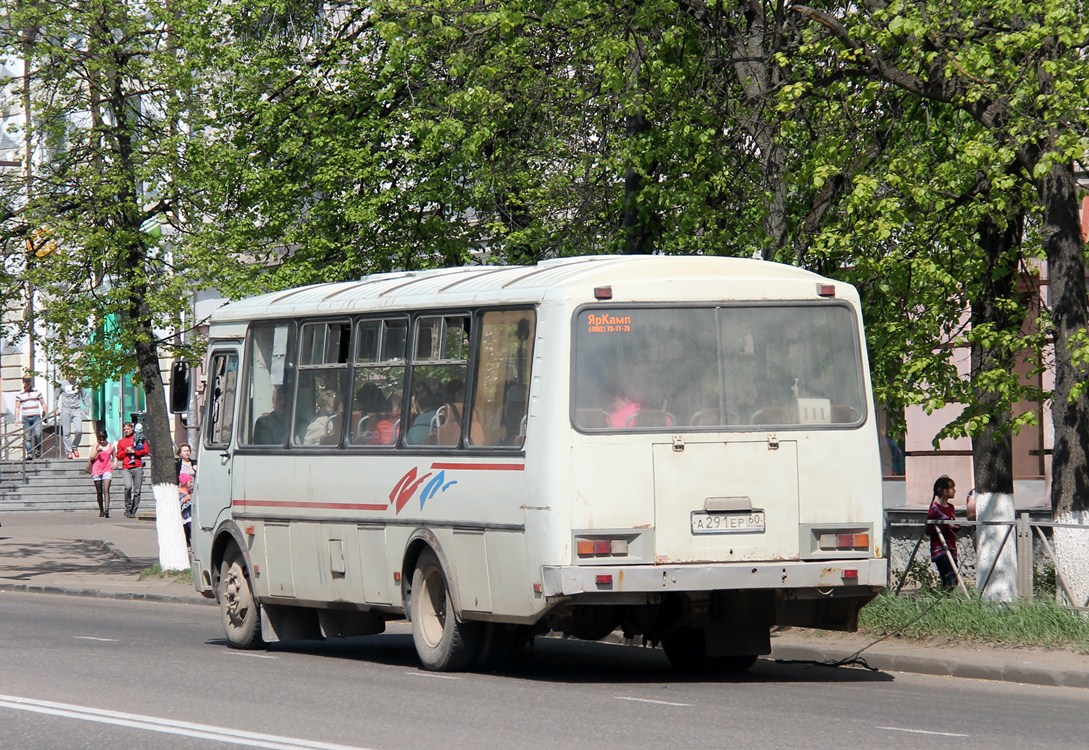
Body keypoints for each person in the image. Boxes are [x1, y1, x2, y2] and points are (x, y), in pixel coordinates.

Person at [926, 475, 960, 590]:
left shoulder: (951, 507)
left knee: (954, 579)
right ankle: (945, 600)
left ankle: (949, 601)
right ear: (945, 491)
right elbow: (929, 529)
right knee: (948, 578)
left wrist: (955, 527)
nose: (955, 491)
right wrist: (945, 525)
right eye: (952, 488)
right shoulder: (934, 509)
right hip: (940, 548)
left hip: (951, 546)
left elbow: (951, 524)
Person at [115, 422, 150, 518]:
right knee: (128, 487)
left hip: (137, 466)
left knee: (137, 490)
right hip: (127, 467)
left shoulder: (139, 439)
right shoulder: (122, 442)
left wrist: (134, 451)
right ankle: (127, 507)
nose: (126, 431)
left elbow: (146, 451)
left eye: (128, 429)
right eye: (124, 429)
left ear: (132, 429)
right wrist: (125, 452)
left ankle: (133, 510)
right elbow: (118, 455)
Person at [55, 371, 88, 459]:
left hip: (76, 409)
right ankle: (69, 451)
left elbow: (84, 396)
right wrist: (56, 408)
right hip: (65, 409)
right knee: (67, 432)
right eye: (70, 374)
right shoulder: (62, 384)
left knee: (79, 430)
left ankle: (74, 446)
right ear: (67, 375)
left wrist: (87, 407)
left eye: (73, 374)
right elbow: (56, 397)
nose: (72, 376)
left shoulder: (79, 384)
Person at [14, 376, 46, 460]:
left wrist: (46, 413)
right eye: (26, 381)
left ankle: (37, 451)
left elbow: (43, 403)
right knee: (27, 436)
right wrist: (16, 418)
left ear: (31, 381)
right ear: (23, 382)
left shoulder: (37, 391)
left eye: (29, 381)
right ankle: (29, 454)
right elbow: (17, 407)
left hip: (36, 416)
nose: (27, 383)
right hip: (26, 418)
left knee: (38, 434)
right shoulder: (19, 394)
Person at [87, 430, 115, 518]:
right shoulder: (96, 445)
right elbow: (91, 457)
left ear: (106, 437)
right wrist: (97, 451)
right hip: (97, 469)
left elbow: (115, 456)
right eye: (100, 439)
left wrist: (115, 463)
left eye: (103, 439)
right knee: (99, 491)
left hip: (107, 468)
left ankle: (107, 510)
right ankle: (101, 510)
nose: (102, 441)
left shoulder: (111, 446)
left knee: (106, 489)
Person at [176, 444, 197, 547]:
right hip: (183, 490)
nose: (187, 453)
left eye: (188, 450)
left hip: (194, 490)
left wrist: (196, 469)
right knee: (186, 515)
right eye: (184, 451)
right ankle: (187, 539)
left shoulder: (194, 463)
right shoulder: (178, 464)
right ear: (180, 453)